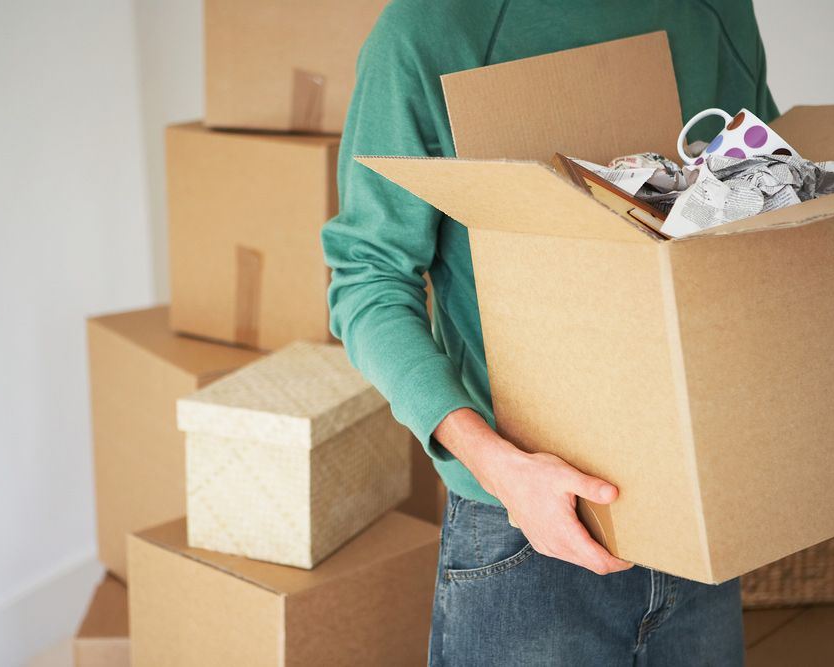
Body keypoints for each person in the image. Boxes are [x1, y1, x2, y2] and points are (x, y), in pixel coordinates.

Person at [322, 1, 778, 664]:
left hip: (699, 508)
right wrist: (501, 469)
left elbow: (770, 207)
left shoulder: (714, 10)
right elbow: (366, 279)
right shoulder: (429, 30)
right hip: (526, 530)